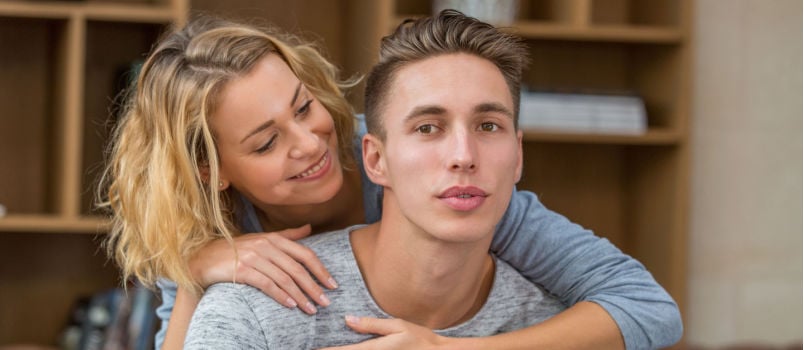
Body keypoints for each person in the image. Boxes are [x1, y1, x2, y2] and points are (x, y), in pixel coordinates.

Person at [98, 12, 682, 350]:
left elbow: (648, 309)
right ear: (213, 172)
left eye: (303, 108)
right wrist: (194, 269)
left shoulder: (434, 174)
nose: (311, 143)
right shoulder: (216, 248)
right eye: (267, 142)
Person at [183, 10, 570, 348]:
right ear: (376, 158)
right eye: (427, 128)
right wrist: (191, 270)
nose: (463, 157)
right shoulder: (245, 306)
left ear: (518, 155)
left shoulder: (563, 323)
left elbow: (630, 297)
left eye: (488, 125)